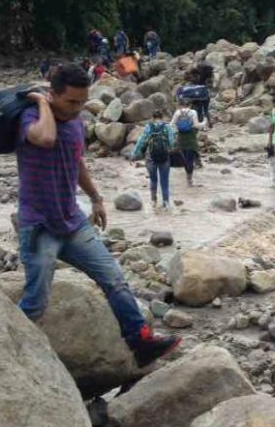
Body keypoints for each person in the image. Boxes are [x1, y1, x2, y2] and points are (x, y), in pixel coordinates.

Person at [15, 63, 180, 368]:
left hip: (73, 221)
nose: (78, 109)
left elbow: (76, 163)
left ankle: (140, 341)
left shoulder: (76, 123)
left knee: (115, 280)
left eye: (82, 101)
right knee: (36, 301)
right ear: (52, 95)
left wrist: (96, 198)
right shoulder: (31, 116)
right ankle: (8, 348)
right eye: (71, 102)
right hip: (40, 227)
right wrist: (40, 103)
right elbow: (46, 139)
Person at [132, 110, 176, 211]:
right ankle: (166, 203)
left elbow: (141, 141)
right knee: (164, 182)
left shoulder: (149, 127)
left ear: (152, 117)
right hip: (164, 157)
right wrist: (168, 148)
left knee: (153, 180)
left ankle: (153, 201)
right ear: (162, 117)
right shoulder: (167, 127)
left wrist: (134, 154)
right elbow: (172, 142)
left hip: (150, 157)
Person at [170, 99, 206, 186]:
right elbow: (197, 125)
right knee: (190, 158)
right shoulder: (193, 112)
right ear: (190, 105)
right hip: (191, 137)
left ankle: (188, 176)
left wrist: (175, 132)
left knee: (185, 158)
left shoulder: (177, 113)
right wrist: (204, 122)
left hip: (181, 138)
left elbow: (171, 125)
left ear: (181, 105)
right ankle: (189, 180)